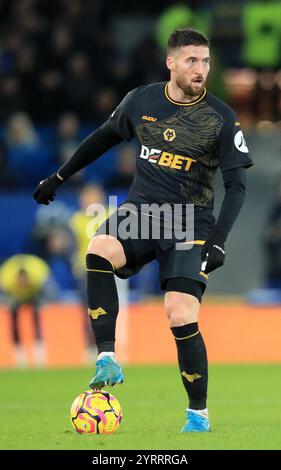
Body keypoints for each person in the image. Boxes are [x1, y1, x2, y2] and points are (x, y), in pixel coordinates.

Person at [33, 28, 253, 433]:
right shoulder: (141, 100)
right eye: (191, 60)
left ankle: (198, 414)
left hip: (190, 223)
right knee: (99, 246)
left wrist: (218, 242)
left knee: (179, 313)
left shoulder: (220, 117)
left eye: (205, 61)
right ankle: (106, 357)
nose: (200, 69)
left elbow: (237, 185)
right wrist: (58, 177)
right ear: (171, 63)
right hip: (143, 214)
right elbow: (101, 139)